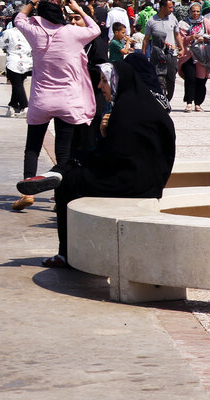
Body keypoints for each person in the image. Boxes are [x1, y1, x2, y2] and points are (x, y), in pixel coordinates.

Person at [30, 53, 176, 268]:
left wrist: (95, 146)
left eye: (105, 80)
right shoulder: (141, 104)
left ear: (119, 81)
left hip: (135, 182)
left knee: (69, 183)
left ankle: (68, 253)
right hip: (146, 177)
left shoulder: (127, 110)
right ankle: (60, 170)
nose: (100, 86)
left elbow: (112, 156)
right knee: (75, 165)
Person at [12, 0, 100, 210]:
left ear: (41, 7)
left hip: (41, 100)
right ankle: (61, 198)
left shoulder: (34, 30)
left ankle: (28, 194)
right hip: (67, 102)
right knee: (63, 151)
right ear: (62, 8)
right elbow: (95, 29)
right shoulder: (73, 32)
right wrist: (79, 9)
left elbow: (19, 18)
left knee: (32, 146)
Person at [177, 2, 210, 112]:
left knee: (201, 79)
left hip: (202, 56)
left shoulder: (205, 22)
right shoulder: (183, 23)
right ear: (189, 11)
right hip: (189, 55)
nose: (195, 13)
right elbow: (180, 38)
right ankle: (189, 102)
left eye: (198, 11)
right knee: (190, 78)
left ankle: (198, 103)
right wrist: (191, 37)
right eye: (193, 11)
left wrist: (203, 38)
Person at [143, 0, 183, 100]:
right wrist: (143, 54)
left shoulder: (173, 19)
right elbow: (146, 39)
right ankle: (159, 100)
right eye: (169, 7)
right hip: (156, 55)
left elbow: (177, 35)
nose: (172, 9)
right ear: (162, 7)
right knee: (157, 79)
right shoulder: (151, 21)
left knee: (171, 78)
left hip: (171, 54)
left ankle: (168, 99)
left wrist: (181, 48)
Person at [0, 19, 32, 118]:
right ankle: (12, 106)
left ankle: (25, 106)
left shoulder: (8, 32)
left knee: (17, 85)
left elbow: (0, 44)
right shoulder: (29, 31)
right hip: (27, 62)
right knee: (18, 84)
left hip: (13, 62)